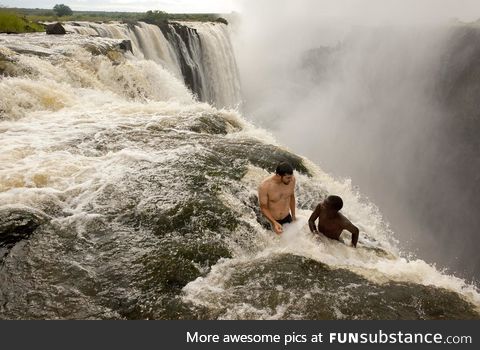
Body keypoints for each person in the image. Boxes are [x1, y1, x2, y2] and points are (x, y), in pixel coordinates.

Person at [258, 162, 296, 234]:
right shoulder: (265, 186)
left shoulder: (292, 180)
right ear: (278, 175)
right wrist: (274, 223)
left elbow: (291, 197)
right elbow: (263, 208)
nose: (290, 180)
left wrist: (293, 215)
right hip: (270, 220)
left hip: (287, 217)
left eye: (291, 177)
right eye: (288, 178)